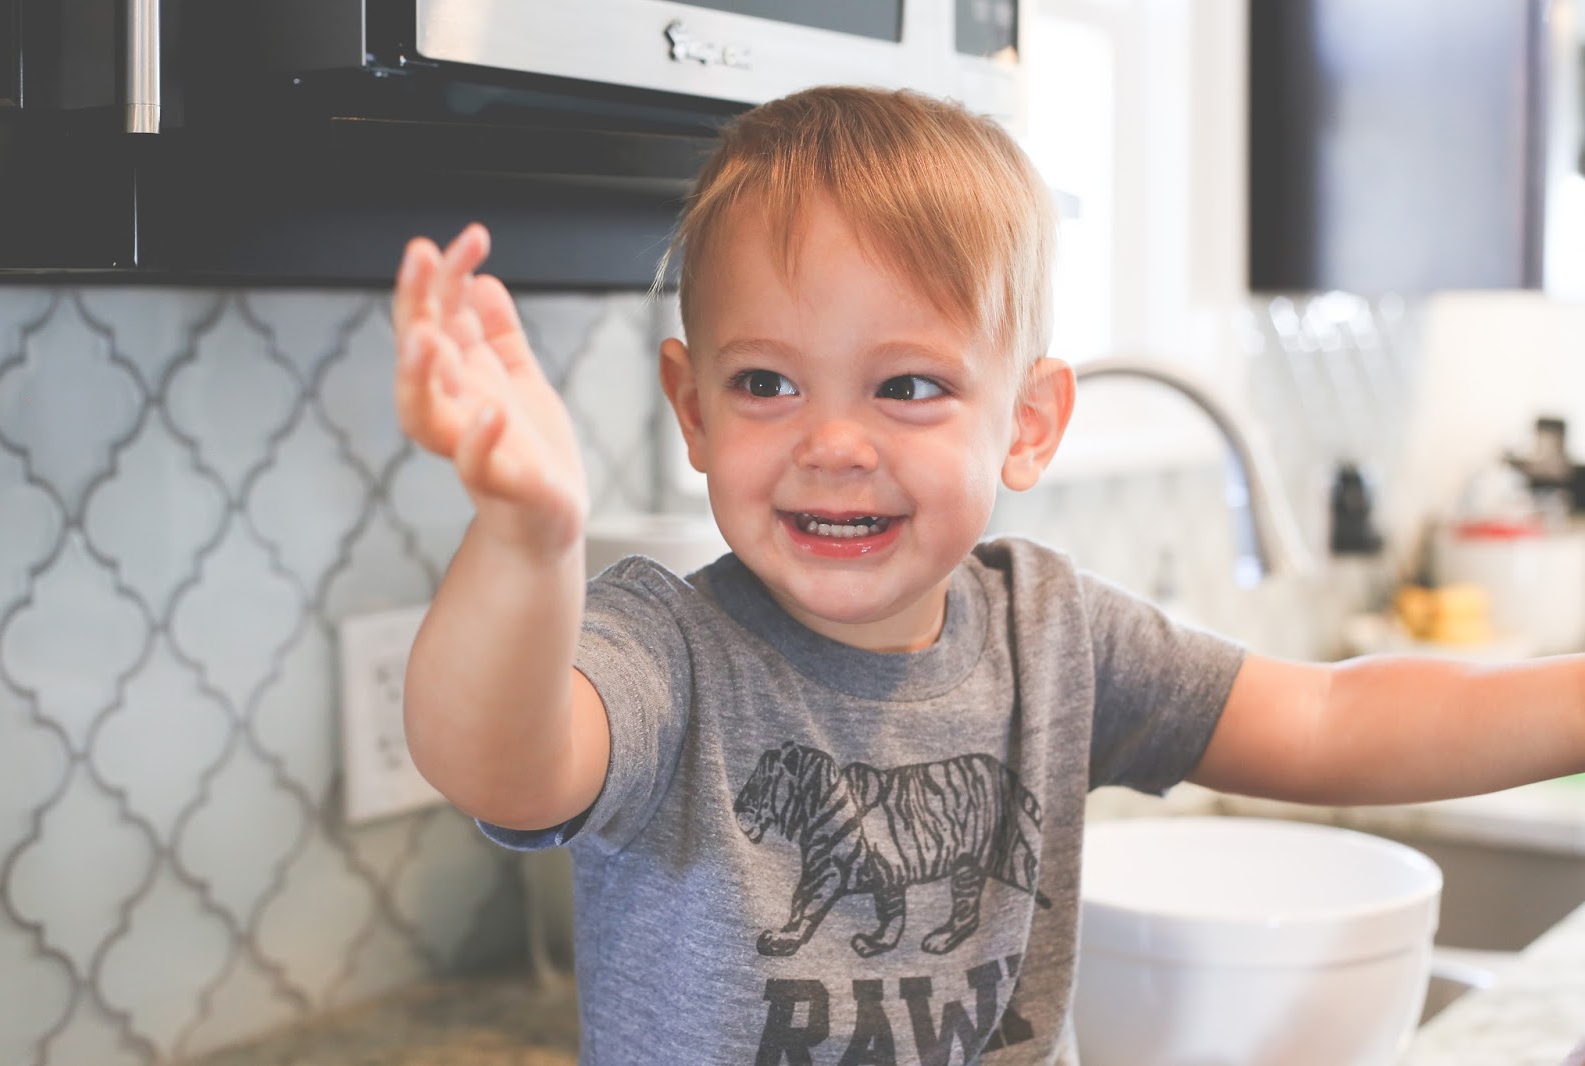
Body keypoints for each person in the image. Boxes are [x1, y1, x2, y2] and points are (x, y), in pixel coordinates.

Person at [390, 85, 1585, 1066]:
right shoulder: (665, 653)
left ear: (1026, 421)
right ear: (690, 409)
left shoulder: (1057, 637)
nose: (833, 442)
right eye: (765, 383)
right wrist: (524, 539)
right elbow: (498, 756)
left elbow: (1329, 717)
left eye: (906, 385)